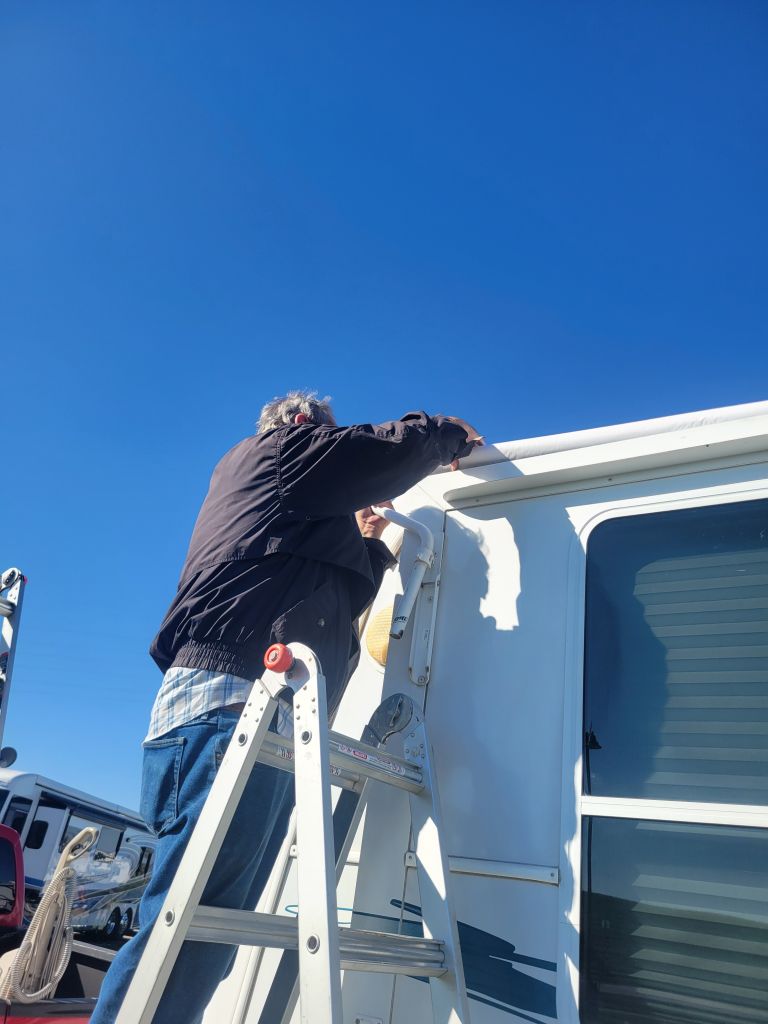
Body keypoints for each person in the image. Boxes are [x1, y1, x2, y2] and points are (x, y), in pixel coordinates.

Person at [91, 392, 482, 1023]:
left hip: (220, 705)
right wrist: (442, 436)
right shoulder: (276, 455)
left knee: (196, 928)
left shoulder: (280, 501)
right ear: (304, 427)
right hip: (237, 701)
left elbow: (329, 588)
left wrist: (374, 548)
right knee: (192, 932)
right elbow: (374, 452)